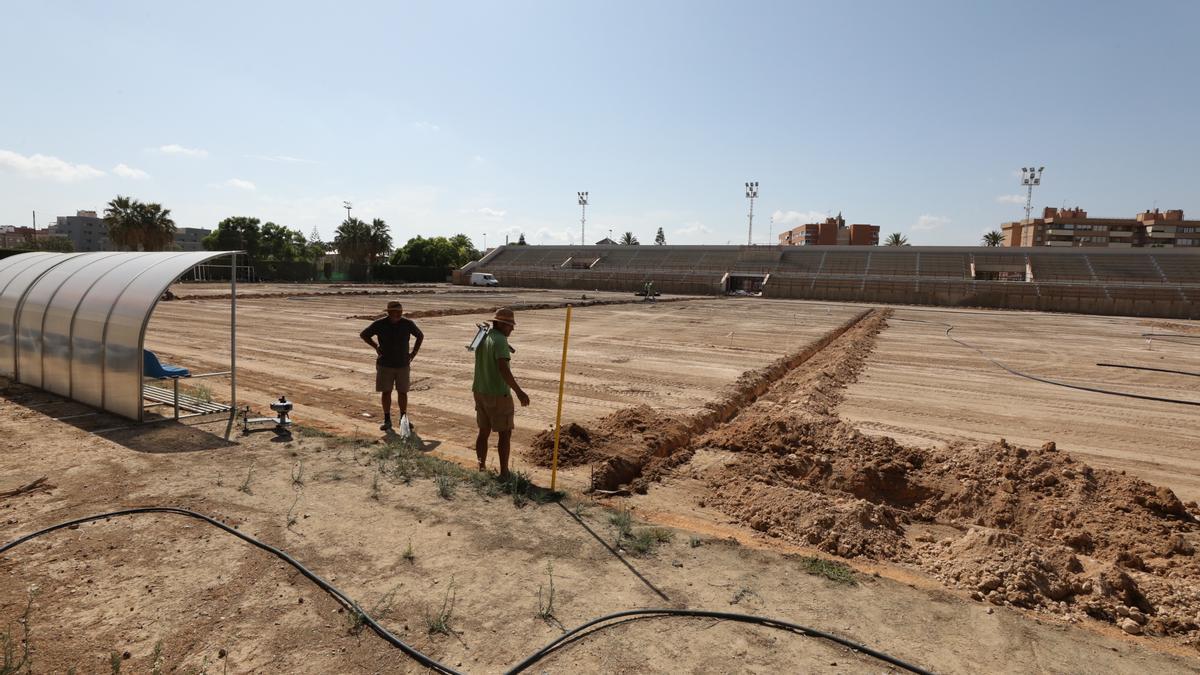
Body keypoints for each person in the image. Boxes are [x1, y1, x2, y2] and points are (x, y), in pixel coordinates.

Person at [472, 307, 530, 479]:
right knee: (505, 433)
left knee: (483, 431)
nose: (512, 328)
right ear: (502, 325)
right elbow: (503, 369)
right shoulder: (500, 341)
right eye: (510, 325)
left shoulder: (484, 337)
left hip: (479, 390)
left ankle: (481, 468)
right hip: (498, 394)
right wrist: (519, 391)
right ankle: (504, 472)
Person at [360, 301, 423, 431]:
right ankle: (387, 420)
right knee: (386, 392)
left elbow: (420, 335)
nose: (398, 315)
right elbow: (364, 335)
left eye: (400, 312)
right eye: (395, 312)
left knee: (403, 392)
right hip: (385, 364)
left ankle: (403, 419)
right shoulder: (379, 324)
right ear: (389, 312)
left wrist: (414, 353)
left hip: (403, 365)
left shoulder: (407, 323)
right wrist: (375, 346)